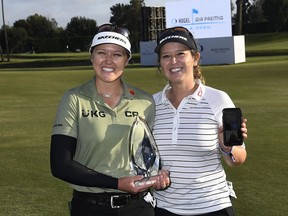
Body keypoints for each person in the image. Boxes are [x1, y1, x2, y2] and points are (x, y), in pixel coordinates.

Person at [50, 23, 170, 216]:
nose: (108, 60)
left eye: (117, 54)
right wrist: (116, 183)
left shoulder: (144, 102)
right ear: (91, 56)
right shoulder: (74, 99)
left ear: (127, 60)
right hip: (90, 207)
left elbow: (149, 156)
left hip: (138, 208)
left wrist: (159, 176)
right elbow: (60, 165)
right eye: (101, 52)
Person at [152, 26, 248, 216]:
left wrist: (226, 147)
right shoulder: (152, 104)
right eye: (166, 56)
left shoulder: (218, 99)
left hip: (213, 206)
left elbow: (237, 159)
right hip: (164, 208)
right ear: (160, 63)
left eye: (181, 54)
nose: (173, 61)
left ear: (195, 58)